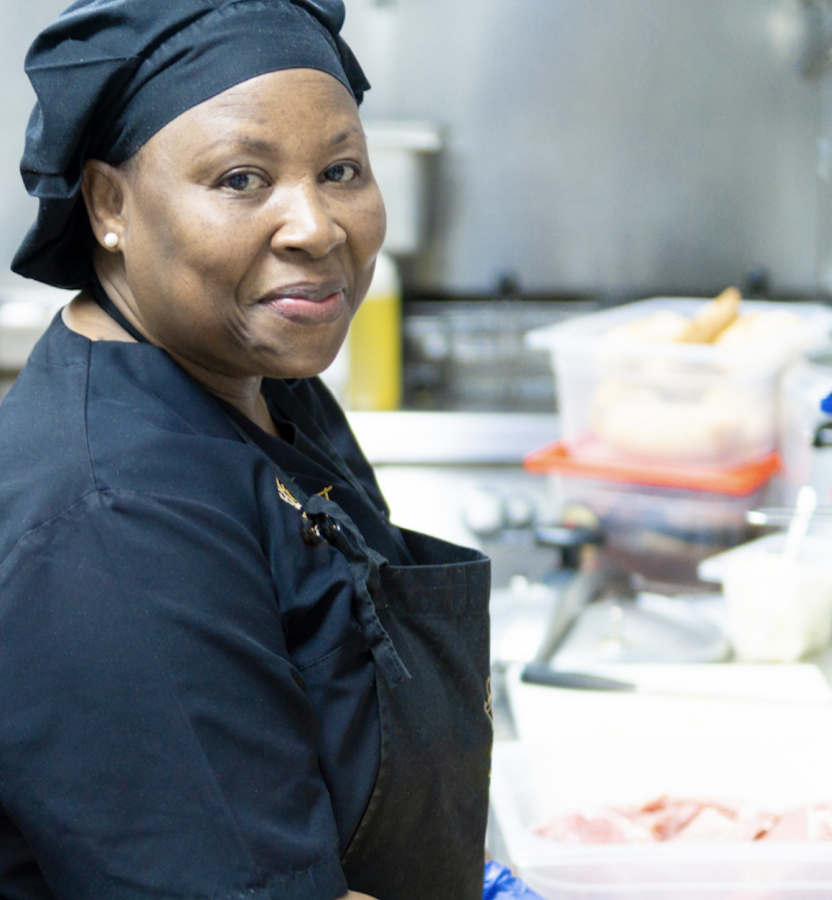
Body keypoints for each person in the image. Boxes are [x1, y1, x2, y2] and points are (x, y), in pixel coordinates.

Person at [0, 2, 494, 898]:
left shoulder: (256, 381)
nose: (316, 227)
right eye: (241, 180)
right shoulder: (112, 520)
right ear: (109, 205)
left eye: (342, 169)